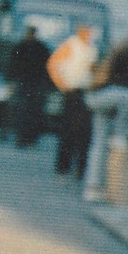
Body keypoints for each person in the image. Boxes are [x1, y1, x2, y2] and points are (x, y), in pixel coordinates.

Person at [82, 18, 128, 201]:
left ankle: (92, 187)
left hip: (101, 97)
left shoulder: (118, 47)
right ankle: (114, 187)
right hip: (122, 98)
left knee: (98, 142)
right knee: (119, 143)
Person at [46, 23, 97, 178]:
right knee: (68, 130)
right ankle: (63, 166)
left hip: (86, 92)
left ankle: (80, 167)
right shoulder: (70, 45)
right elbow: (52, 64)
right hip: (72, 92)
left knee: (84, 132)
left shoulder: (91, 48)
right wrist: (61, 84)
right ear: (80, 30)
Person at [6, 26, 51, 147]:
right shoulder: (41, 48)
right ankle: (27, 138)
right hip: (32, 84)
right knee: (31, 112)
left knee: (25, 111)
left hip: (28, 83)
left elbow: (12, 65)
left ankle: (24, 138)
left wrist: (10, 80)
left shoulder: (21, 47)